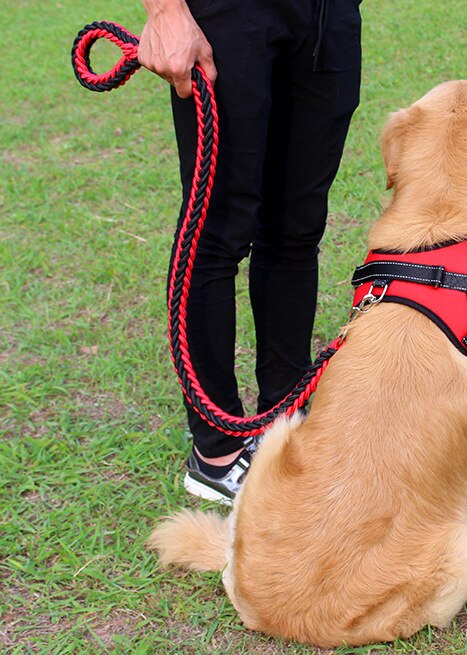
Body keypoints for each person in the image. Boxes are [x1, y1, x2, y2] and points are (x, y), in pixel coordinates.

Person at [138, 0, 362, 503]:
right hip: (227, 13)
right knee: (216, 233)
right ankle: (214, 454)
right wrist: (166, 12)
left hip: (327, 17)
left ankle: (284, 419)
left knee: (297, 228)